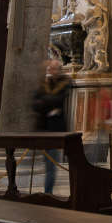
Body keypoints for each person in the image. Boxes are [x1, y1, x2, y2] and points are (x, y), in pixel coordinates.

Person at [31, 52, 73, 195]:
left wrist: (44, 101)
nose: (51, 71)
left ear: (59, 70)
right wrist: (46, 102)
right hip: (43, 127)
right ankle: (47, 191)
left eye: (54, 69)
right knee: (46, 161)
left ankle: (48, 192)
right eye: (50, 69)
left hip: (56, 129)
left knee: (51, 164)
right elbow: (34, 103)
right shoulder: (44, 84)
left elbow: (57, 100)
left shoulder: (65, 83)